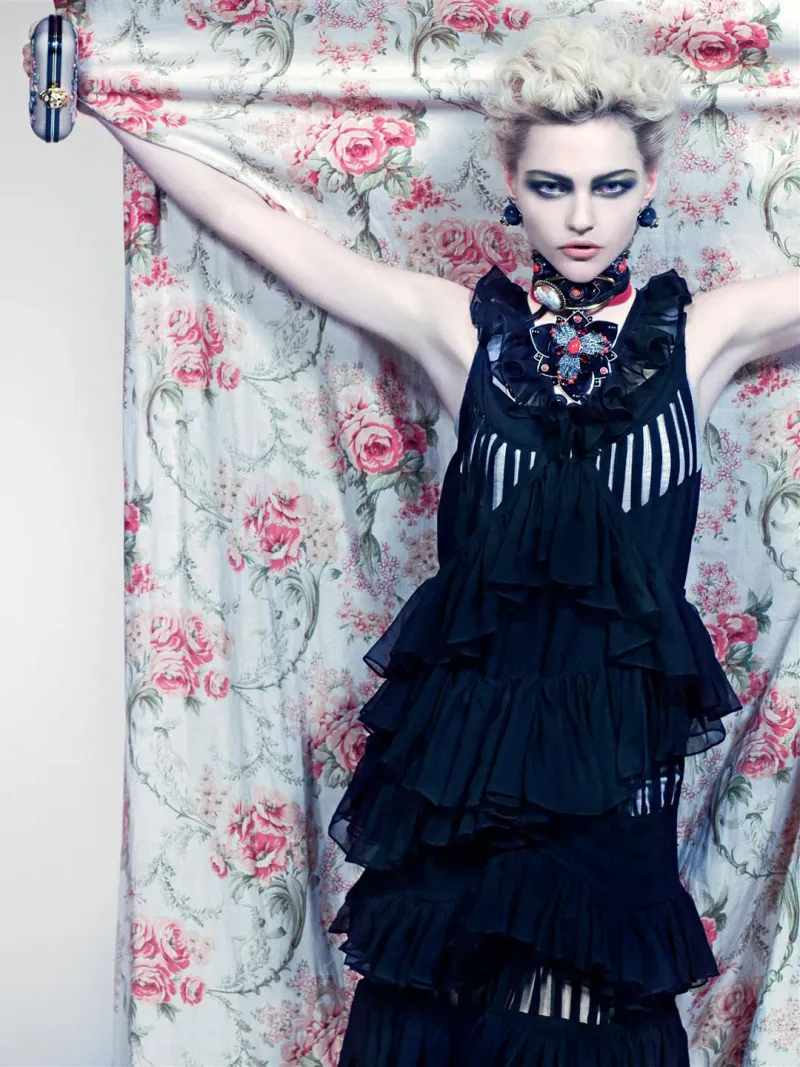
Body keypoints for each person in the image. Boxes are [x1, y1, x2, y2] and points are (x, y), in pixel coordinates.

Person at [26, 17, 799, 1066]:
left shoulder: (702, 335)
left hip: (612, 753)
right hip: (461, 756)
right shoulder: (461, 330)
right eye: (551, 186)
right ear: (510, 183)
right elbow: (278, 241)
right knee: (444, 1003)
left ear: (651, 181)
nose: (580, 217)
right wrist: (111, 104)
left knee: (592, 1003)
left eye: (609, 186)